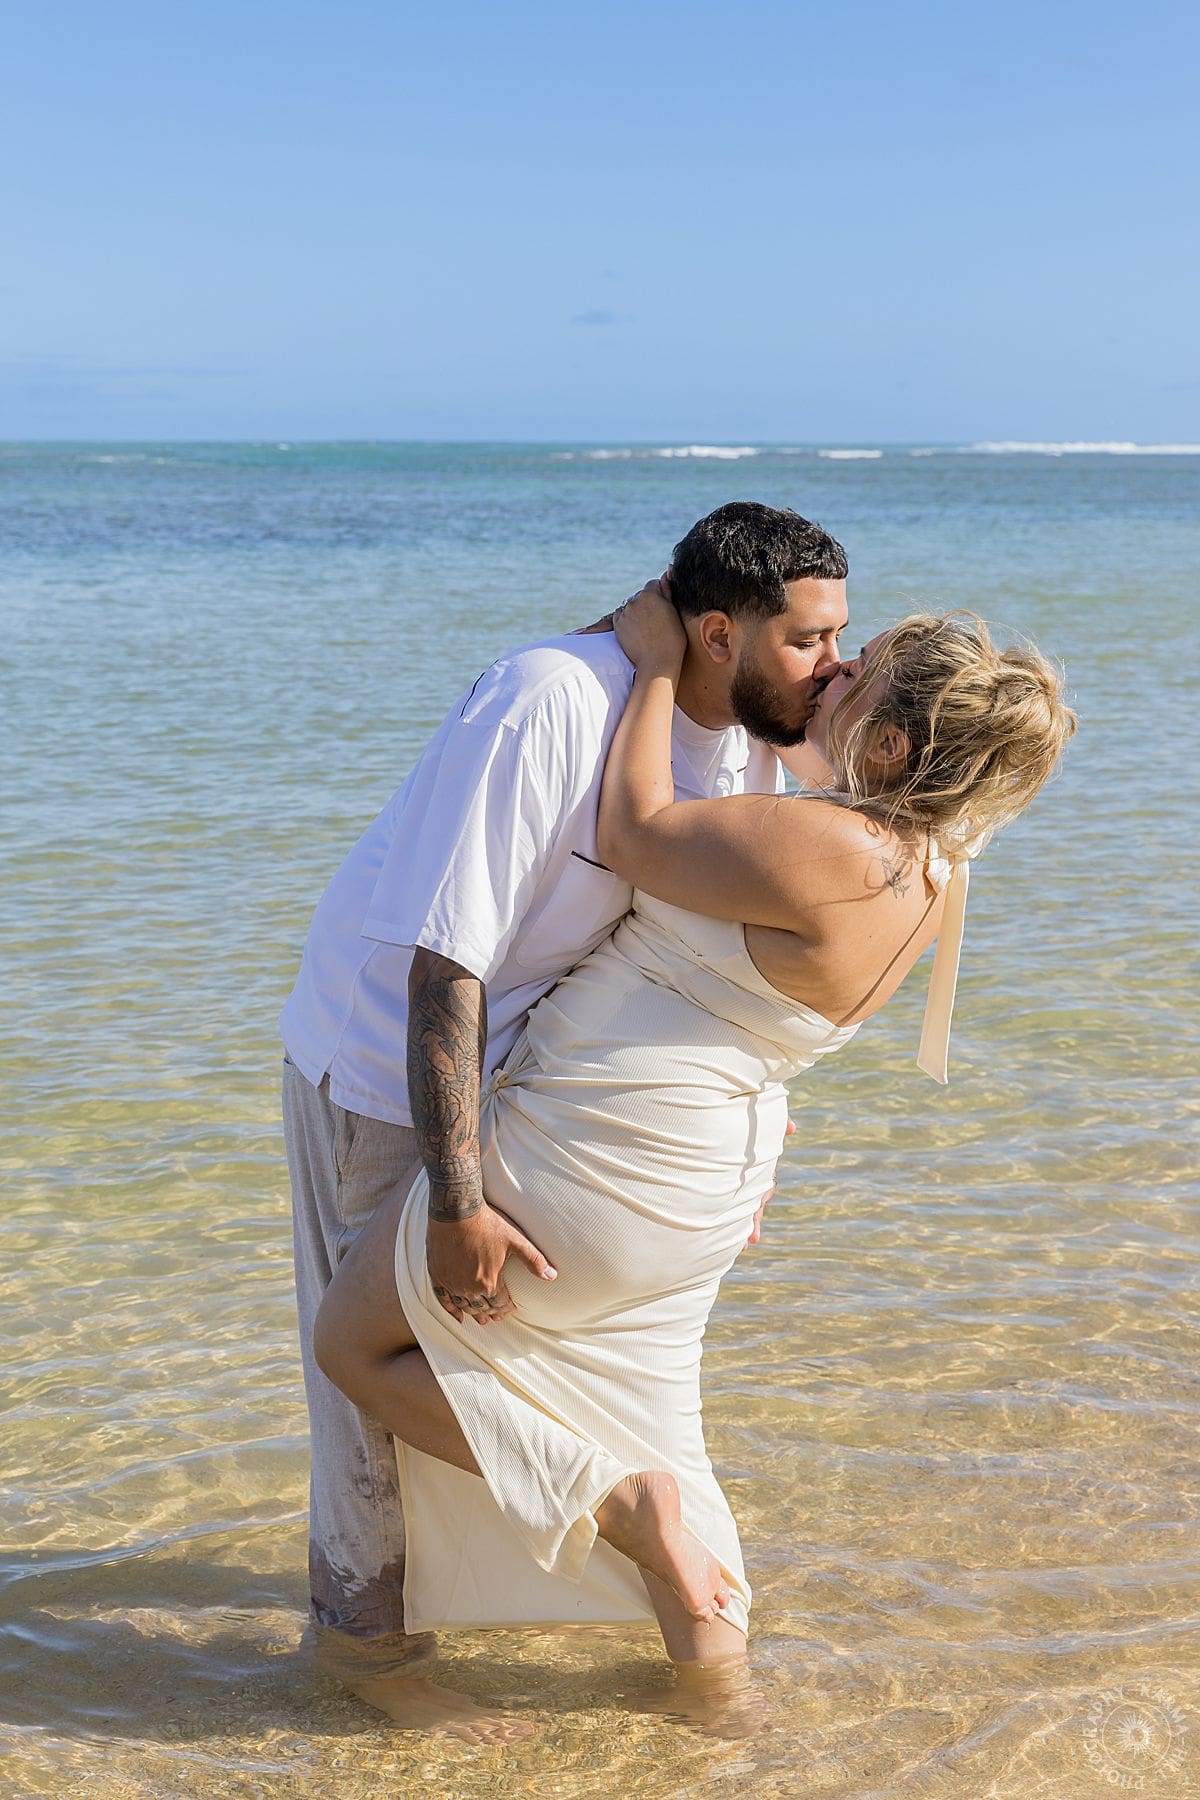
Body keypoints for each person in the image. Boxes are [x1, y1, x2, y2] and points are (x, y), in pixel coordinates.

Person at [314, 587, 1076, 1737]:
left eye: (851, 671)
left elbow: (629, 833)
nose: (827, 675)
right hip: (705, 1177)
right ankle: (727, 1719)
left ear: (888, 744)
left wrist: (658, 664)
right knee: (663, 1423)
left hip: (599, 1154)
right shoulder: (933, 875)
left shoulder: (838, 844)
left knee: (351, 1345)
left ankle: (612, 1504)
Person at [278, 503, 850, 1741]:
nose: (833, 666)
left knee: (507, 1356)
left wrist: (744, 1146)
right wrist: (460, 1199)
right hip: (390, 1072)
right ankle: (363, 1659)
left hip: (536, 1085)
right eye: (809, 642)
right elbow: (447, 970)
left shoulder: (749, 739)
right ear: (716, 632)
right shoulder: (547, 701)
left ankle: (555, 1551)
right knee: (373, 1390)